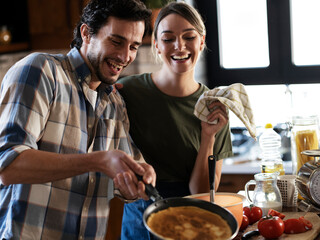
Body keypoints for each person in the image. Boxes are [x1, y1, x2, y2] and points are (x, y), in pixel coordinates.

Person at [0, 0, 156, 239]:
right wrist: (97, 161)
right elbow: (7, 165)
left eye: (134, 46)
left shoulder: (115, 103)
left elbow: (125, 178)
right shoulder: (42, 71)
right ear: (86, 33)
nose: (125, 56)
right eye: (116, 41)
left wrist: (139, 177)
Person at [118, 2, 233, 239]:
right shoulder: (128, 91)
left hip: (192, 223)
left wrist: (208, 136)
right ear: (157, 46)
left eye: (189, 37)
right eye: (168, 39)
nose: (179, 46)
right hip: (139, 226)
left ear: (201, 41)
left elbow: (201, 193)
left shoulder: (215, 107)